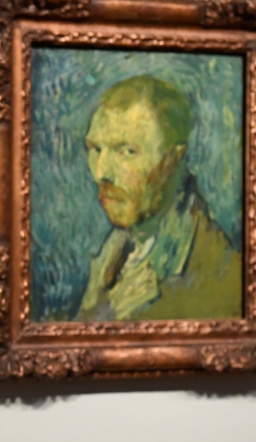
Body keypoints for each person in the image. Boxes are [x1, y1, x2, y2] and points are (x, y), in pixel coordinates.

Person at [74, 74, 241, 321]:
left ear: (171, 161)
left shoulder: (218, 276)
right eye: (96, 149)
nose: (101, 173)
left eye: (127, 151)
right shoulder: (116, 251)